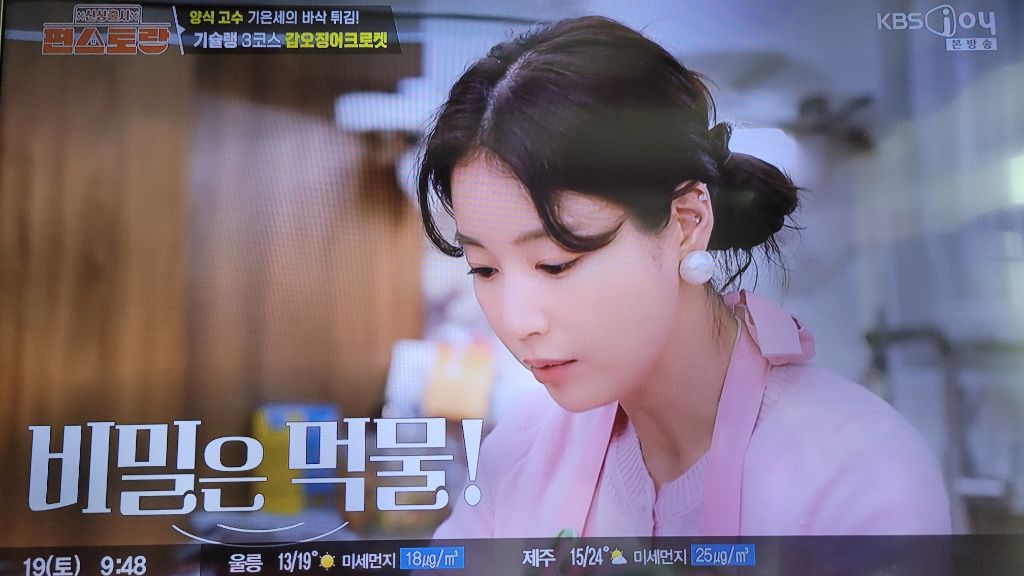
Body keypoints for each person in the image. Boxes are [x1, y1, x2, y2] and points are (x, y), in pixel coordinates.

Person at [416, 15, 951, 537]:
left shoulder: (853, 473)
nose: (517, 322)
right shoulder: (522, 453)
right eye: (484, 268)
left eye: (556, 263)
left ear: (687, 221)